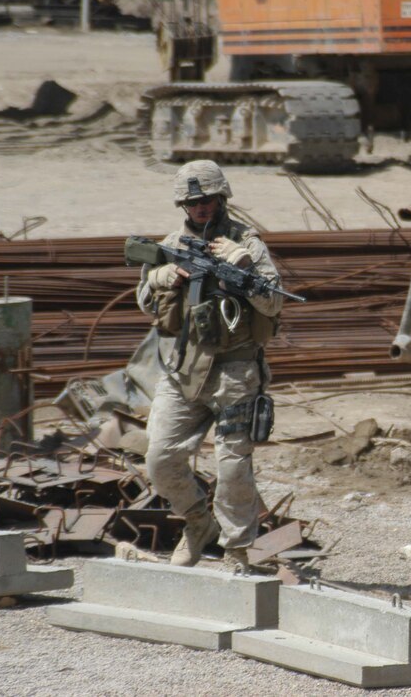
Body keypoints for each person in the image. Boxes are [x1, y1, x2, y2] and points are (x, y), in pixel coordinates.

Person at [136, 160, 283, 568]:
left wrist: (244, 267)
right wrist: (161, 278)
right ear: (182, 205)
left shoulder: (246, 243)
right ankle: (198, 522)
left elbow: (274, 303)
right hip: (184, 368)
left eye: (208, 200)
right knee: (160, 459)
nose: (201, 208)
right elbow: (145, 303)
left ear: (222, 199)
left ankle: (236, 550)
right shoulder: (171, 244)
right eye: (193, 202)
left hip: (236, 370)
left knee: (232, 466)